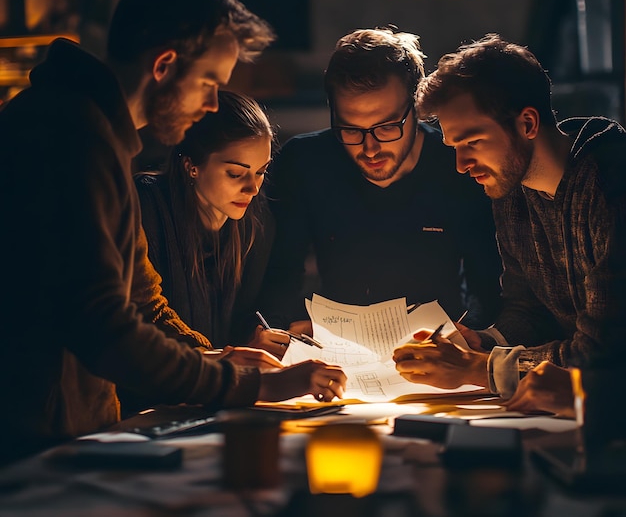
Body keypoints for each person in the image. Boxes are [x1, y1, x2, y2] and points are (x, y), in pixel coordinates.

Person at [0, 0, 346, 466]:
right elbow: (104, 325)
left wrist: (216, 356)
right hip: (32, 437)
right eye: (208, 83)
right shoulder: (71, 137)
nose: (210, 106)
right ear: (164, 65)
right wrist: (246, 383)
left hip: (69, 426)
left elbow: (144, 301)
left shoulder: (99, 133)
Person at [393, 33, 626, 399]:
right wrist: (481, 342)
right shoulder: (512, 190)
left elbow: (601, 356)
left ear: (528, 124)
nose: (461, 165)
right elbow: (528, 310)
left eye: (472, 142)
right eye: (455, 147)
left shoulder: (609, 186)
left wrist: (476, 368)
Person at [259, 26, 502, 334]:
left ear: (417, 109)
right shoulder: (305, 162)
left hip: (440, 346)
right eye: (350, 129)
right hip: (340, 345)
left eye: (387, 127)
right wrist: (280, 330)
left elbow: (488, 284)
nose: (370, 148)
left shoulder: (457, 165)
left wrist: (475, 334)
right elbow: (280, 274)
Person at [135, 90, 289, 359]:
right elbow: (140, 326)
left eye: (261, 171)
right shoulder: (145, 207)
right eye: (235, 173)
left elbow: (245, 317)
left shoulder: (257, 224)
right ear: (191, 166)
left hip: (219, 385)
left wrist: (256, 338)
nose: (252, 188)